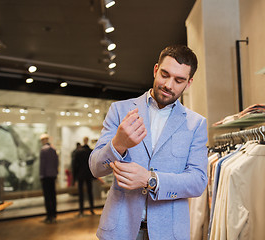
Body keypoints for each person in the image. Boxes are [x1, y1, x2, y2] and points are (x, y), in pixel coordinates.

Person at [89, 45, 208, 240]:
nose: (169, 85)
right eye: (164, 74)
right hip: (120, 229)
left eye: (179, 80)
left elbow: (198, 181)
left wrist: (150, 179)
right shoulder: (119, 110)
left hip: (169, 233)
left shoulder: (196, 124)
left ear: (189, 83)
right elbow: (96, 168)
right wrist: (118, 143)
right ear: (155, 70)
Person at [73, 137, 95, 216]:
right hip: (88, 174)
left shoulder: (79, 152)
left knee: (81, 193)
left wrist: (74, 177)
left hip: (80, 174)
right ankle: (91, 209)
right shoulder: (91, 151)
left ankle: (81, 210)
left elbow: (75, 165)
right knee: (89, 192)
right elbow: (93, 164)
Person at [39, 133, 59, 224]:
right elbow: (56, 163)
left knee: (47, 197)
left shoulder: (43, 150)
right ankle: (54, 214)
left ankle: (49, 216)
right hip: (53, 175)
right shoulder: (53, 149)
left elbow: (42, 165)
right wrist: (55, 173)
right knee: (53, 195)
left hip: (46, 176)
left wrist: (41, 175)